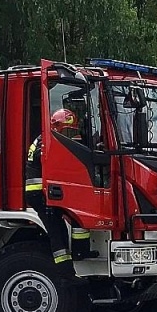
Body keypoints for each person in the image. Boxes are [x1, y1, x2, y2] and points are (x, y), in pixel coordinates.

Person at [24, 109, 90, 264]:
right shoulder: (45, 142)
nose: (70, 135)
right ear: (57, 127)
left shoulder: (48, 139)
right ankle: (64, 267)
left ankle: (80, 252)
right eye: (67, 131)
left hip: (47, 191)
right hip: (39, 192)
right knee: (55, 228)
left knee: (76, 216)